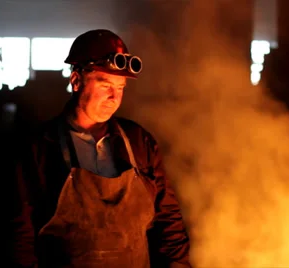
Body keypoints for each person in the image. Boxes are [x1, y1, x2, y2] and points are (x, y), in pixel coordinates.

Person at [10, 29, 191, 268]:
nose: (114, 97)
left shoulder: (139, 143)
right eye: (105, 85)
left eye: (121, 87)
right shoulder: (40, 148)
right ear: (76, 81)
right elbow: (21, 238)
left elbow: (169, 224)